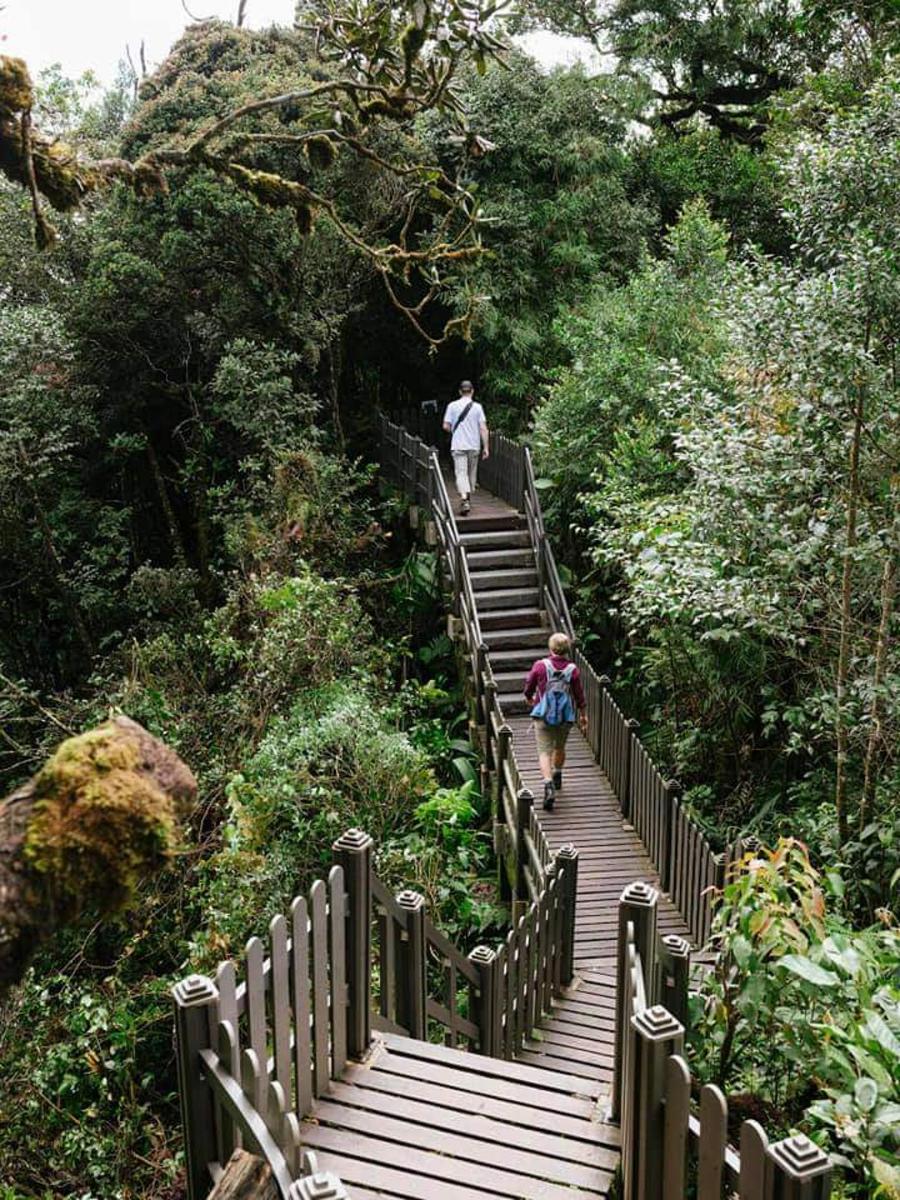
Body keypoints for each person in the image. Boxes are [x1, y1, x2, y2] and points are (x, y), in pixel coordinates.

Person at [523, 632, 587, 811]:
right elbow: (579, 694)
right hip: (564, 717)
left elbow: (529, 684)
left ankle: (548, 784)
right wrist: (583, 714)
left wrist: (529, 698)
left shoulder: (540, 665)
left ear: (551, 648)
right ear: (567, 650)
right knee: (559, 747)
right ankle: (557, 772)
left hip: (543, 714)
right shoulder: (572, 669)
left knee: (544, 752)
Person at [442, 381, 489, 516]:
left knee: (461, 473)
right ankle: (466, 499)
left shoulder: (452, 406)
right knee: (471, 474)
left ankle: (464, 499)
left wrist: (454, 431)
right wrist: (486, 447)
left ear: (460, 392)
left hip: (458, 445)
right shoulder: (478, 407)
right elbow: (483, 428)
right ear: (472, 391)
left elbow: (445, 425)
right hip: (474, 445)